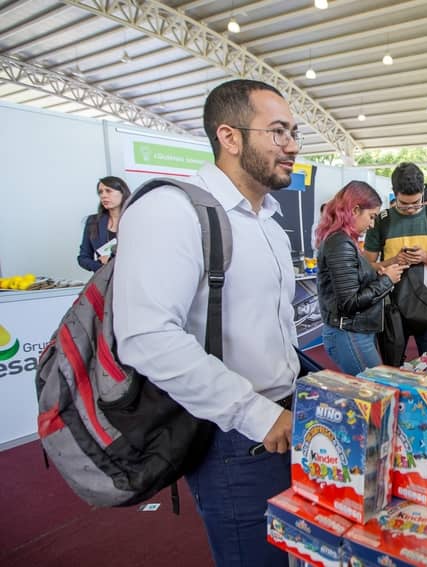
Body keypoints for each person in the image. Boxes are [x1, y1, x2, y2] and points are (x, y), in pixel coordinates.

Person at [113, 79, 305, 567]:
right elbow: (146, 337)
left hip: (288, 421)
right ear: (229, 136)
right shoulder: (171, 209)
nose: (293, 147)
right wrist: (258, 417)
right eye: (278, 132)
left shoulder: (267, 220)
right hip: (232, 436)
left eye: (295, 132)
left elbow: (266, 328)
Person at [363, 162, 427, 358]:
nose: (411, 209)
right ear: (394, 193)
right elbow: (367, 268)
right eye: (403, 203)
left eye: (416, 202)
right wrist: (393, 261)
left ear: (423, 192)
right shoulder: (382, 220)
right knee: (391, 368)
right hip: (392, 308)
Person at [316, 181, 406, 375]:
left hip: (354, 332)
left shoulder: (342, 240)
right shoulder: (340, 243)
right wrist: (387, 280)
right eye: (371, 217)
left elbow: (352, 285)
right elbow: (350, 302)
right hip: (349, 333)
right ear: (355, 210)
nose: (372, 224)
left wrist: (377, 276)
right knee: (375, 391)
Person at [77, 176, 130, 272]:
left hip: (130, 278)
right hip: (104, 280)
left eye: (108, 191)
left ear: (123, 193)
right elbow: (83, 258)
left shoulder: (134, 220)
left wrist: (111, 259)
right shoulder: (93, 221)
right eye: (100, 192)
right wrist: (101, 267)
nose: (103, 195)